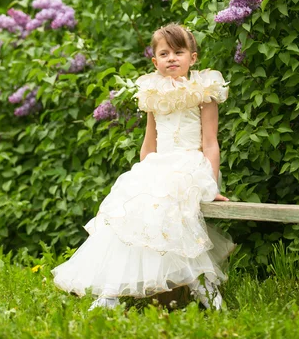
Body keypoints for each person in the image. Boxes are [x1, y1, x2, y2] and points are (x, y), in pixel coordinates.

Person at [52, 23, 235, 311]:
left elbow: (211, 143)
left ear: (193, 57)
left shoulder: (204, 92)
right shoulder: (152, 94)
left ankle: (205, 290)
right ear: (155, 61)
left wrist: (211, 186)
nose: (172, 58)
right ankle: (110, 293)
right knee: (130, 210)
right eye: (164, 53)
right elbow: (149, 145)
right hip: (158, 166)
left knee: (171, 207)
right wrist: (141, 179)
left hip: (190, 165)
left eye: (179, 51)